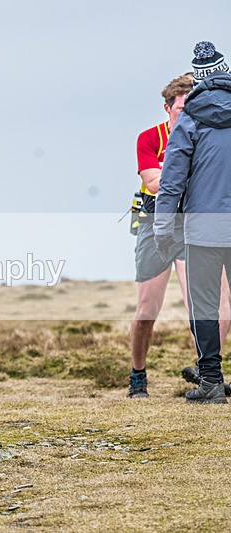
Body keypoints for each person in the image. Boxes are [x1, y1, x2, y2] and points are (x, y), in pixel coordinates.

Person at [155, 41, 231, 403]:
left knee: (203, 305)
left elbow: (171, 179)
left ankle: (212, 383)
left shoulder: (188, 118)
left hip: (203, 230)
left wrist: (162, 228)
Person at [128, 73, 194, 398]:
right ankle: (138, 375)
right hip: (153, 221)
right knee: (146, 312)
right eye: (182, 108)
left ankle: (209, 372)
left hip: (193, 223)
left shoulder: (208, 139)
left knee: (205, 305)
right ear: (167, 108)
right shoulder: (150, 138)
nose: (188, 113)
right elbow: (154, 183)